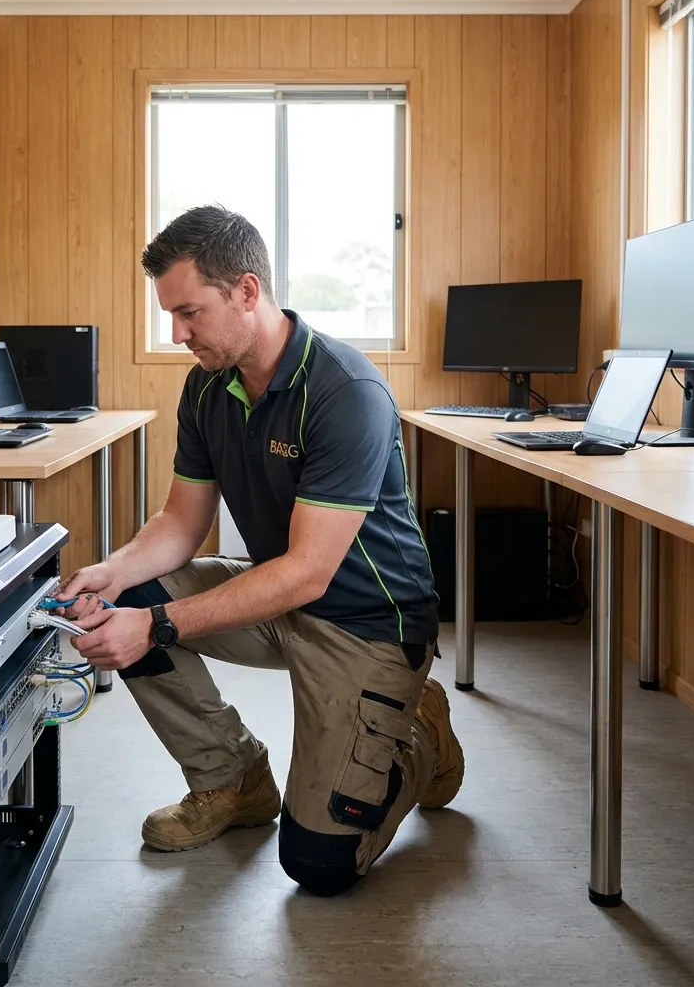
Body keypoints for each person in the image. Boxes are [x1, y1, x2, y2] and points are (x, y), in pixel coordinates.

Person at [55, 204, 464, 897]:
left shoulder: (345, 392)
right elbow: (182, 523)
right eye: (171, 317)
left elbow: (308, 572)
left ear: (247, 291)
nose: (178, 334)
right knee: (132, 596)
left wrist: (152, 627)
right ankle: (232, 779)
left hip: (368, 625)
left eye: (190, 313)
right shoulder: (208, 385)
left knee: (319, 865)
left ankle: (417, 730)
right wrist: (110, 574)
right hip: (281, 599)